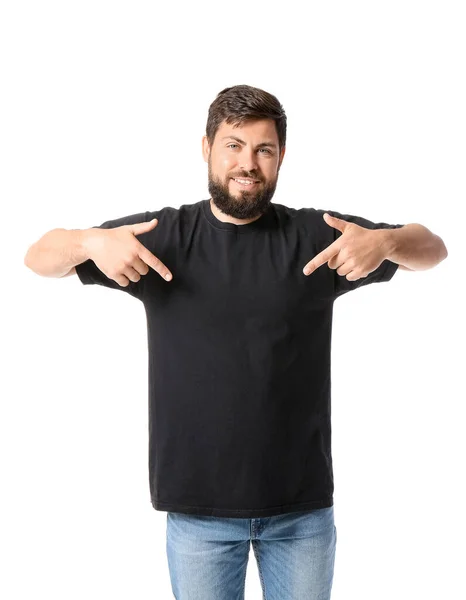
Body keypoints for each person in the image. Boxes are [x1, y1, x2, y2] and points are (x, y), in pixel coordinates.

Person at [24, 84, 448, 600]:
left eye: (263, 149)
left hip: (302, 514)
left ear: (281, 157)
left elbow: (433, 248)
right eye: (233, 145)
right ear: (206, 148)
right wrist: (88, 240)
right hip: (198, 514)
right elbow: (40, 257)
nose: (247, 163)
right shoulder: (163, 237)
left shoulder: (318, 237)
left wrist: (387, 241)